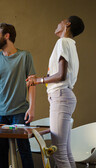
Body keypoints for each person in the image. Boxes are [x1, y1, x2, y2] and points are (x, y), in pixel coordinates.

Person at [26, 16, 85, 168]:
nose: (58, 23)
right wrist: (42, 78)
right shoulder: (70, 44)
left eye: (61, 21)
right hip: (64, 95)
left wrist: (38, 81)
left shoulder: (63, 42)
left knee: (59, 153)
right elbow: (60, 74)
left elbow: (61, 75)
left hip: (60, 96)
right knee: (65, 152)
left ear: (67, 24)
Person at [0, 23, 36, 168]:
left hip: (20, 112)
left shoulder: (25, 56)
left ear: (6, 36)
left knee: (24, 150)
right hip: (0, 114)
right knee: (1, 152)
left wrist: (31, 108)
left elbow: (32, 83)